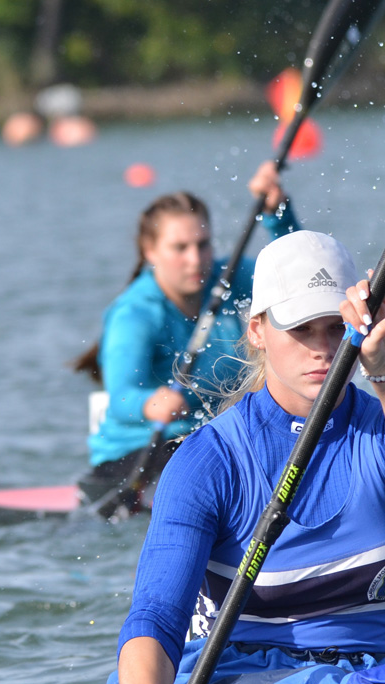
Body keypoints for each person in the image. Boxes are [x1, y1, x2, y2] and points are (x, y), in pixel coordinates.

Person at [106, 231, 385, 684]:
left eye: (337, 328)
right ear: (257, 331)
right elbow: (157, 615)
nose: (323, 348)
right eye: (301, 329)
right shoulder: (208, 461)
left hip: (368, 681)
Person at [73, 162, 299, 508]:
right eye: (180, 248)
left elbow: (294, 275)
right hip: (137, 455)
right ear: (151, 252)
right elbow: (119, 399)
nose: (196, 260)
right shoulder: (135, 314)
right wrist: (152, 403)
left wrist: (277, 214)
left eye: (203, 245)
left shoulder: (227, 280)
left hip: (213, 439)